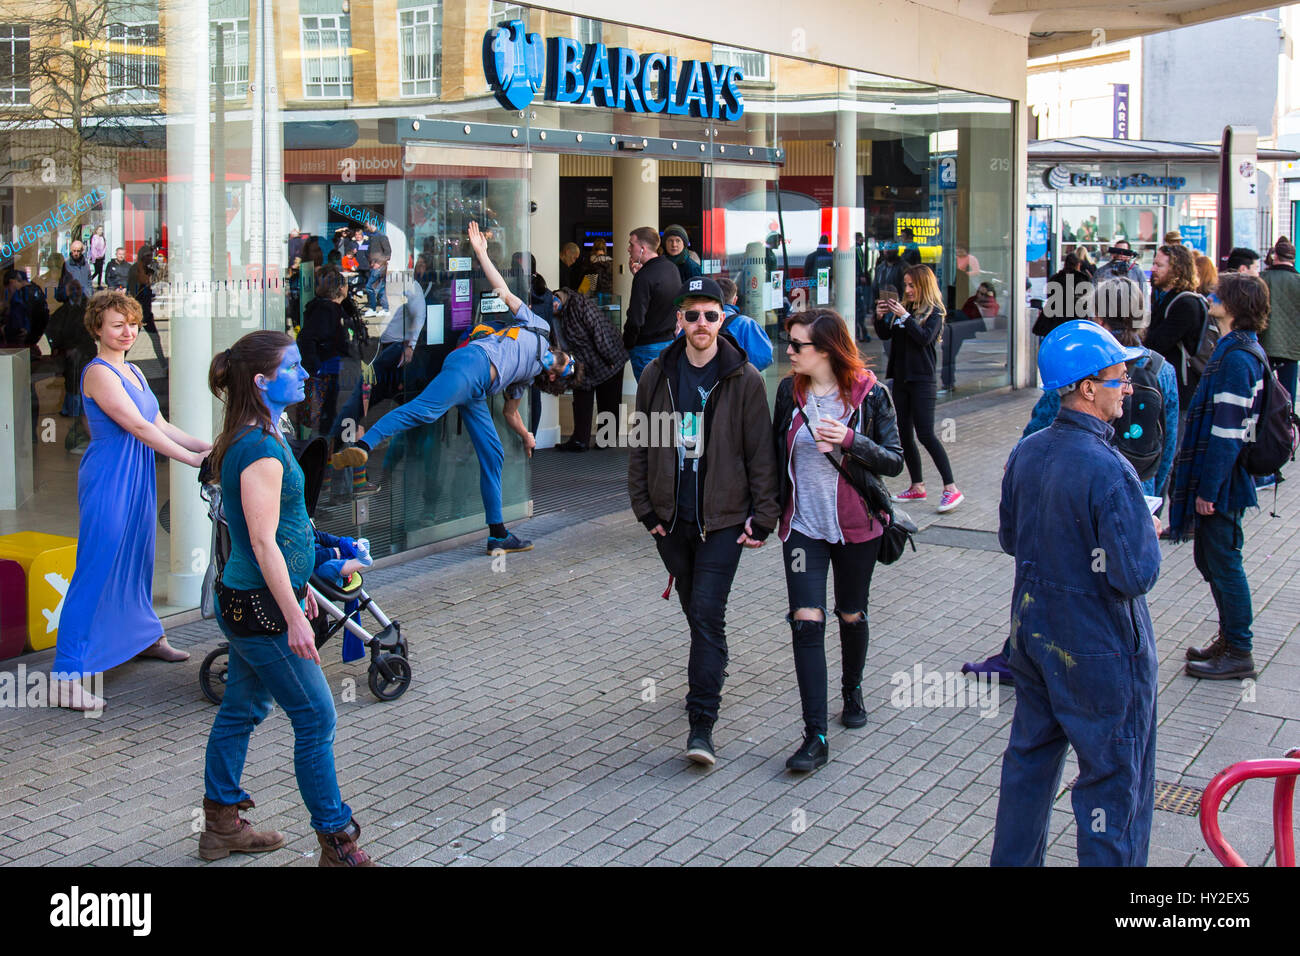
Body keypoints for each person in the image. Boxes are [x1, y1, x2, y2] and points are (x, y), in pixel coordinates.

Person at [200, 331, 375, 867]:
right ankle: (337, 845)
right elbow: (261, 541)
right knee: (317, 718)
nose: (304, 375)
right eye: (293, 366)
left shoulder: (261, 434)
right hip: (261, 611)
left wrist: (315, 569)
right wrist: (296, 616)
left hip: (256, 601)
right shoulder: (257, 449)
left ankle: (221, 826)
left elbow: (289, 529)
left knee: (243, 705)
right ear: (262, 380)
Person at [991, 319, 1161, 866]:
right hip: (1100, 648)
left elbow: (1011, 537)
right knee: (1112, 784)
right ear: (1087, 387)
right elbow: (1135, 575)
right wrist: (1143, 530)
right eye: (1119, 377)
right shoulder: (1111, 469)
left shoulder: (1029, 451)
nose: (1129, 387)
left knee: (1029, 766)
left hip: (1035, 634)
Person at [330, 222, 577, 555]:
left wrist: (526, 436)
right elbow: (503, 290)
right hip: (470, 365)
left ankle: (498, 534)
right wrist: (481, 253)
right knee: (423, 410)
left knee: (493, 453)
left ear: (553, 378)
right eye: (569, 360)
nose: (566, 361)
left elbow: (509, 413)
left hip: (476, 390)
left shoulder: (527, 379)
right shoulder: (541, 327)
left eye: (567, 368)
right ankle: (364, 444)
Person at [628, 275, 780, 768]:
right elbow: (641, 447)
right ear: (680, 320)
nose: (700, 324)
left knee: (708, 613)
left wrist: (764, 517)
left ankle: (701, 725)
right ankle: (712, 664)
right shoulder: (656, 375)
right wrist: (645, 510)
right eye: (691, 315)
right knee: (697, 612)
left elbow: (760, 454)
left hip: (723, 521)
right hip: (671, 523)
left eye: (710, 315)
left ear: (723, 319)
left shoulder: (745, 378)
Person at [49, 291, 210, 712]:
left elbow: (158, 422)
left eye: (132, 324)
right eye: (117, 324)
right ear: (98, 328)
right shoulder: (98, 372)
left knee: (138, 557)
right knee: (97, 567)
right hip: (109, 476)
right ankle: (66, 676)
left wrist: (208, 447)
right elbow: (137, 426)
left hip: (136, 473)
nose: (127, 332)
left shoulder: (134, 370)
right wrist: (191, 459)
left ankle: (145, 637)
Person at [772, 308, 903, 772]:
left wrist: (850, 439)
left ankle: (852, 688)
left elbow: (894, 461)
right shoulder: (790, 392)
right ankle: (815, 735)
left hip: (856, 528)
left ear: (825, 349)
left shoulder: (870, 394)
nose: (788, 352)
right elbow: (773, 456)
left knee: (851, 613)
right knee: (806, 621)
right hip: (803, 528)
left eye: (797, 346)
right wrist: (763, 516)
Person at [1169, 273, 1271, 681]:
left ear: (1234, 304)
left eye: (1219, 293)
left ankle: (1239, 650)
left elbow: (1228, 435)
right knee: (1211, 559)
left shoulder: (1237, 359)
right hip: (1221, 479)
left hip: (1224, 483)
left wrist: (1207, 490)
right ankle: (1228, 639)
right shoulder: (1237, 351)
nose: (1211, 296)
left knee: (1225, 564)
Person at [873, 265, 963, 513]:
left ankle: (951, 488)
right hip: (901, 379)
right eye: (906, 285)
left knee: (926, 434)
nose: (908, 290)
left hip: (923, 380)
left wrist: (904, 317)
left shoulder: (935, 312)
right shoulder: (906, 310)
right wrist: (880, 317)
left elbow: (924, 338)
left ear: (923, 286)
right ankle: (917, 486)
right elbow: (886, 335)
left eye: (912, 285)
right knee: (904, 434)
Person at [552, 286, 627, 452]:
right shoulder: (559, 314)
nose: (553, 305)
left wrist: (610, 357)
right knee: (582, 400)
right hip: (584, 362)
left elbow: (599, 330)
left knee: (608, 399)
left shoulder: (578, 303)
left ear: (560, 296)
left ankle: (604, 439)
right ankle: (580, 440)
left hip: (605, 358)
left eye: (554, 300)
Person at [1145, 242, 1208, 410]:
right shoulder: (1165, 298)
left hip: (1180, 390)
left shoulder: (1185, 304)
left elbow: (1157, 343)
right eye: (1154, 264)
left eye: (1159, 265)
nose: (1153, 269)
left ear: (1177, 270)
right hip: (1170, 385)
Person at [298, 269, 353, 438]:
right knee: (327, 414)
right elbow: (308, 338)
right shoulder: (326, 310)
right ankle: (324, 450)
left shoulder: (333, 308)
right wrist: (316, 367)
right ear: (341, 288)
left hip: (333, 368)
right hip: (326, 369)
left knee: (330, 412)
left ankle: (327, 447)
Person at [623, 226, 682, 381]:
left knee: (648, 398)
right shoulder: (671, 268)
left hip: (645, 348)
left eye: (631, 245)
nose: (628, 249)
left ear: (642, 248)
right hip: (669, 343)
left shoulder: (644, 277)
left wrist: (627, 344)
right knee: (664, 395)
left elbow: (636, 319)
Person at [1260, 236, 1300, 407]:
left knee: (1262, 390)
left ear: (1275, 256)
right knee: (1287, 392)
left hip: (1263, 344)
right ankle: (1286, 424)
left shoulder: (1261, 279)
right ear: (1293, 258)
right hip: (1291, 347)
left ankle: (1264, 425)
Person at [945, 281, 998, 390]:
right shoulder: (972, 300)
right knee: (949, 353)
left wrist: (988, 299)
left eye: (983, 294)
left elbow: (989, 316)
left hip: (973, 327)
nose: (979, 295)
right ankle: (948, 382)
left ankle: (949, 381)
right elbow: (965, 311)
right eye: (978, 292)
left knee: (956, 315)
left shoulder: (990, 304)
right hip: (960, 327)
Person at [715, 275, 773, 371]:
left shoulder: (697, 320)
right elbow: (764, 358)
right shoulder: (746, 324)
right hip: (737, 381)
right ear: (735, 300)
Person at [128, 245, 166, 372]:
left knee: (155, 339)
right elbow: (133, 292)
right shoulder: (136, 270)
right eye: (148, 256)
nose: (151, 258)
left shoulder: (147, 270)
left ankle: (164, 365)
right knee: (130, 340)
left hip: (146, 312)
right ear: (142, 257)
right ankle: (119, 361)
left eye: (151, 255)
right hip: (138, 312)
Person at [363, 221, 391, 317]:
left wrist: (379, 263)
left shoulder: (381, 236)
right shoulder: (372, 237)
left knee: (369, 286)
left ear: (372, 225)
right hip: (375, 265)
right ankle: (385, 309)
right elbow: (369, 250)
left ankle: (373, 308)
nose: (366, 229)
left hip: (380, 266)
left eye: (367, 227)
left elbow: (388, 252)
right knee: (381, 288)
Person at [57, 238, 94, 303]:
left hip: (84, 299)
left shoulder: (86, 265)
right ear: (71, 250)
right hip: (71, 300)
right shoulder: (66, 265)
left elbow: (89, 281)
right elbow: (62, 283)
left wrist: (90, 295)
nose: (76, 253)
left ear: (82, 251)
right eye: (74, 251)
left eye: (78, 251)